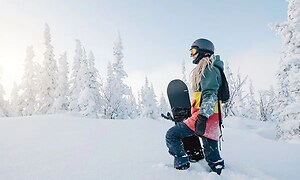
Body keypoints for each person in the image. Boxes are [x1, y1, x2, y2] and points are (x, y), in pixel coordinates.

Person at [165, 38, 225, 175]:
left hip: (203, 117)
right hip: (212, 118)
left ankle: (182, 165)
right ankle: (219, 172)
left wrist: (202, 118)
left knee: (172, 135)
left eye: (193, 51)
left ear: (203, 51)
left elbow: (210, 96)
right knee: (213, 157)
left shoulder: (208, 69)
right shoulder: (214, 68)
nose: (192, 55)